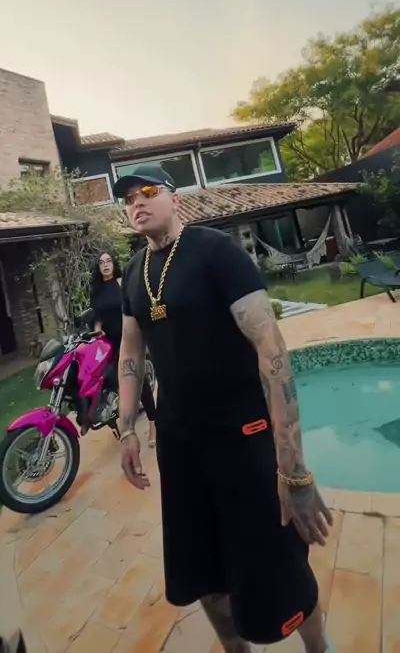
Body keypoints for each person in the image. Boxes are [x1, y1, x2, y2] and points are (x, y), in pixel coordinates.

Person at [114, 165, 335, 653]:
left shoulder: (217, 253)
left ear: (175, 198)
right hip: (180, 447)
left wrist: (294, 471)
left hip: (242, 438)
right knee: (204, 571)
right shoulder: (132, 273)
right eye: (127, 198)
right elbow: (131, 351)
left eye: (147, 191)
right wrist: (126, 427)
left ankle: (319, 648)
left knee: (278, 564)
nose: (137, 202)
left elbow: (272, 354)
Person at [90, 250, 157, 447]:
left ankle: (153, 422)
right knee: (112, 381)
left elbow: (133, 308)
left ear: (114, 264)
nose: (105, 264)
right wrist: (97, 329)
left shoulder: (121, 283)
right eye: (101, 262)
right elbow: (97, 315)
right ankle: (120, 421)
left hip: (127, 339)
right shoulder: (96, 291)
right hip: (108, 343)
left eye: (108, 261)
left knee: (137, 380)